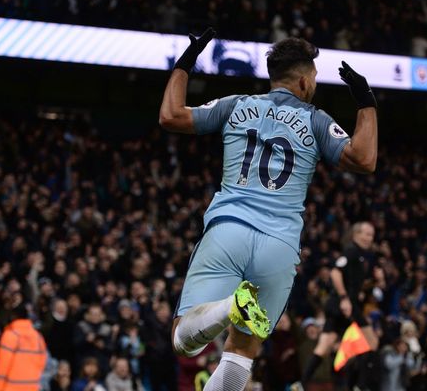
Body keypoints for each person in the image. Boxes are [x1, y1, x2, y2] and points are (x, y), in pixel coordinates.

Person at [160, 29, 378, 391]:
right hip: (279, 246)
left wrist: (187, 61)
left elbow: (170, 116)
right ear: (306, 81)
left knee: (184, 340)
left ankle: (232, 304)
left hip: (228, 230)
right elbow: (364, 158)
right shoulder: (316, 119)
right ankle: (236, 306)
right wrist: (365, 100)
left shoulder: (236, 105)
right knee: (242, 351)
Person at [300, 222, 379, 386]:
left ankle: (300, 384)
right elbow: (335, 273)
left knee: (324, 347)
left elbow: (353, 282)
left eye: (371, 235)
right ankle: (359, 386)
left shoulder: (361, 255)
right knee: (372, 342)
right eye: (366, 234)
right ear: (356, 234)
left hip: (342, 305)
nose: (369, 238)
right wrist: (344, 298)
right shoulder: (351, 251)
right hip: (344, 305)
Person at [0, 304, 48, 391]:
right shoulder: (38, 337)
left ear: (13, 316)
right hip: (32, 386)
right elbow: (43, 361)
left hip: (11, 387)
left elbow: (3, 366)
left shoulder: (10, 335)